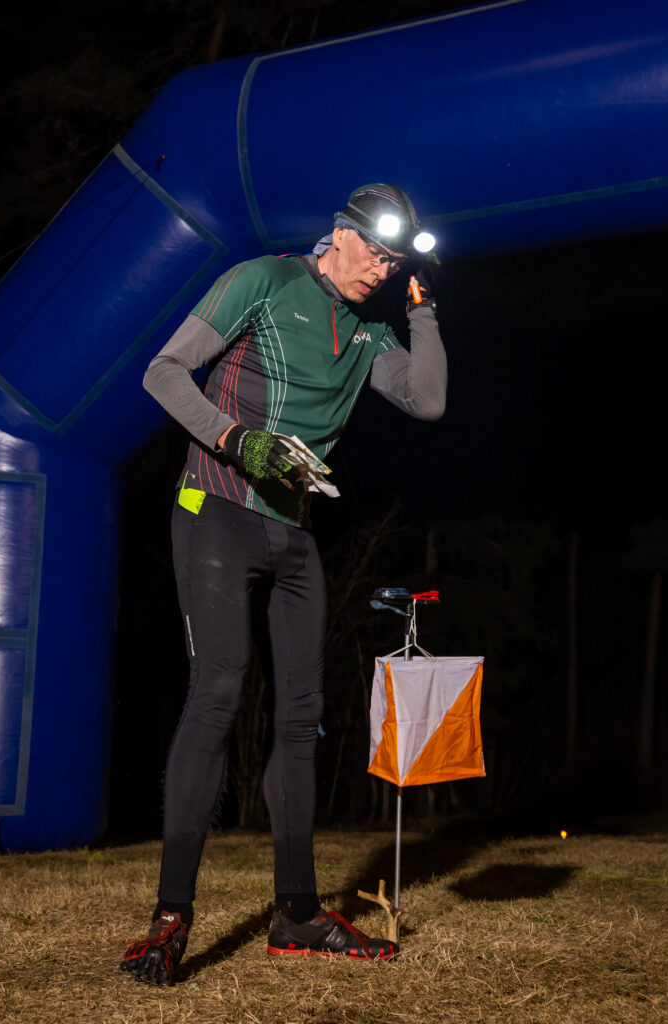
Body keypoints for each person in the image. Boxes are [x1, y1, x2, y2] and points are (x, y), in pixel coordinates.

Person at [119, 183, 447, 985]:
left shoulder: (368, 333)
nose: (378, 267)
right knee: (219, 692)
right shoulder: (262, 280)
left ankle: (296, 914)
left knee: (302, 718)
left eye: (392, 261)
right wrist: (236, 439)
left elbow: (428, 401)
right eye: (372, 251)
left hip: (292, 532)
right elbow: (163, 372)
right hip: (215, 510)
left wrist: (423, 312)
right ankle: (170, 918)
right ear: (338, 232)